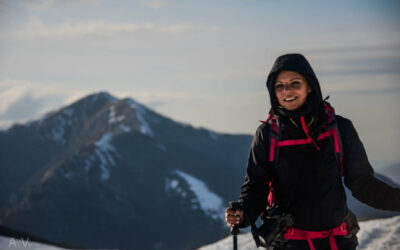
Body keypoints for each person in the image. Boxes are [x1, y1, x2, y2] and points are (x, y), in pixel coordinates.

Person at [225, 53, 400, 250]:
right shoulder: (267, 135)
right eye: (279, 86)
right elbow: (256, 187)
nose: (287, 91)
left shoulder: (340, 129)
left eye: (295, 83)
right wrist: (243, 213)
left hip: (338, 242)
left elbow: (362, 183)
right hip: (289, 245)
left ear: (310, 86)